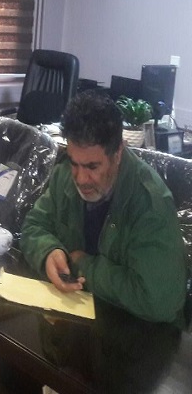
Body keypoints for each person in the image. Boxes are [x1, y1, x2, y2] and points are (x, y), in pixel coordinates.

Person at [20, 91, 186, 325]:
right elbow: (33, 226)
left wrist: (84, 266)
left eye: (92, 167)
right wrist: (49, 252)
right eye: (75, 163)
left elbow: (159, 301)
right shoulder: (64, 175)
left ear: (118, 154)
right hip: (75, 319)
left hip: (137, 333)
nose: (80, 178)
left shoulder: (150, 204)